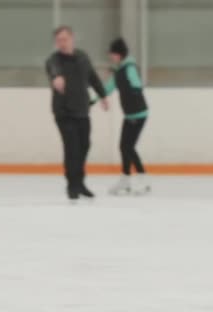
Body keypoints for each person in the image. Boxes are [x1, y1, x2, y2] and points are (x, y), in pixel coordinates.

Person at [45, 26, 109, 201]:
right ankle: (72, 185)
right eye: (59, 40)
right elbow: (53, 69)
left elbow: (93, 77)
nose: (62, 43)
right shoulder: (54, 59)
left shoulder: (83, 57)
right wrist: (56, 77)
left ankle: (80, 183)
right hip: (64, 112)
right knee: (71, 148)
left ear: (72, 39)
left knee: (84, 146)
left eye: (65, 39)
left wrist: (103, 95)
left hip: (82, 110)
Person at [92, 38, 150, 195]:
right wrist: (93, 100)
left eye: (112, 53)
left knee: (128, 147)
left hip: (139, 114)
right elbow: (107, 88)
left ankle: (143, 180)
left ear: (119, 54)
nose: (111, 56)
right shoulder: (119, 71)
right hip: (130, 115)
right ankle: (125, 180)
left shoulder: (129, 68)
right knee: (124, 146)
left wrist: (133, 90)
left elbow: (137, 85)